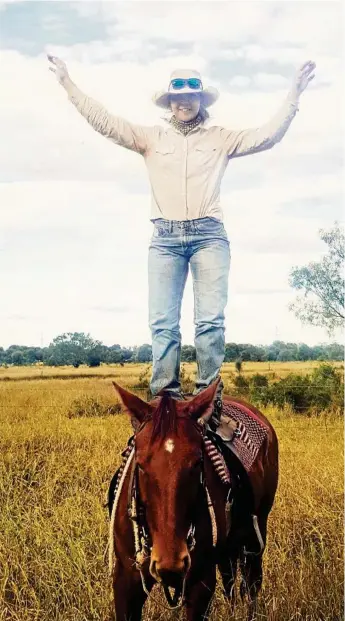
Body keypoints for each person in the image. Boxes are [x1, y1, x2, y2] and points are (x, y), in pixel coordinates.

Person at [47, 56, 315, 421]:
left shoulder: (221, 138)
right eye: (177, 97)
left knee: (209, 323)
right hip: (165, 239)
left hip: (208, 235)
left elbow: (268, 135)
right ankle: (164, 401)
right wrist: (68, 85)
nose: (184, 103)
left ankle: (209, 404)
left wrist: (295, 93)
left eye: (191, 96)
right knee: (162, 324)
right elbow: (106, 123)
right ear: (169, 102)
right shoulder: (151, 138)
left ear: (202, 100)